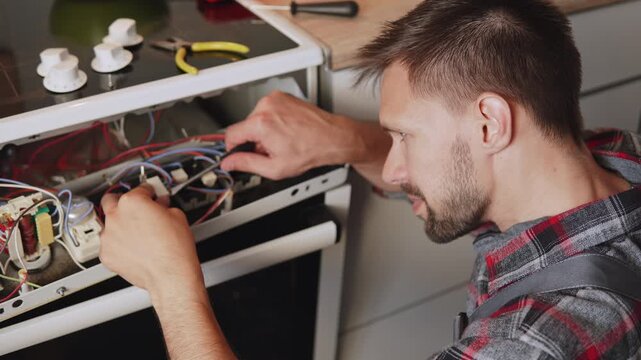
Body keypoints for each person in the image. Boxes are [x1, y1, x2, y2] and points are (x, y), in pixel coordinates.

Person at [99, 0, 641, 358]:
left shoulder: (528, 343)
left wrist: (171, 286)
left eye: (405, 136)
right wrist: (347, 140)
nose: (392, 169)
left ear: (489, 123)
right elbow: (469, 164)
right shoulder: (610, 160)